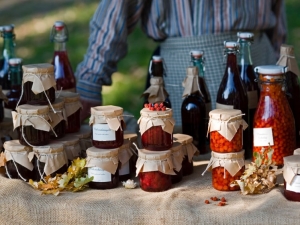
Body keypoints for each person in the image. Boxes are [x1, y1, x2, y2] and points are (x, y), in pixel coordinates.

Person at [75, 0, 287, 126]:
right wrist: (90, 79)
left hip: (258, 64)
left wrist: (281, 73)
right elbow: (117, 7)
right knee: (183, 160)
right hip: (180, 76)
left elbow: (277, 12)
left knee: (263, 159)